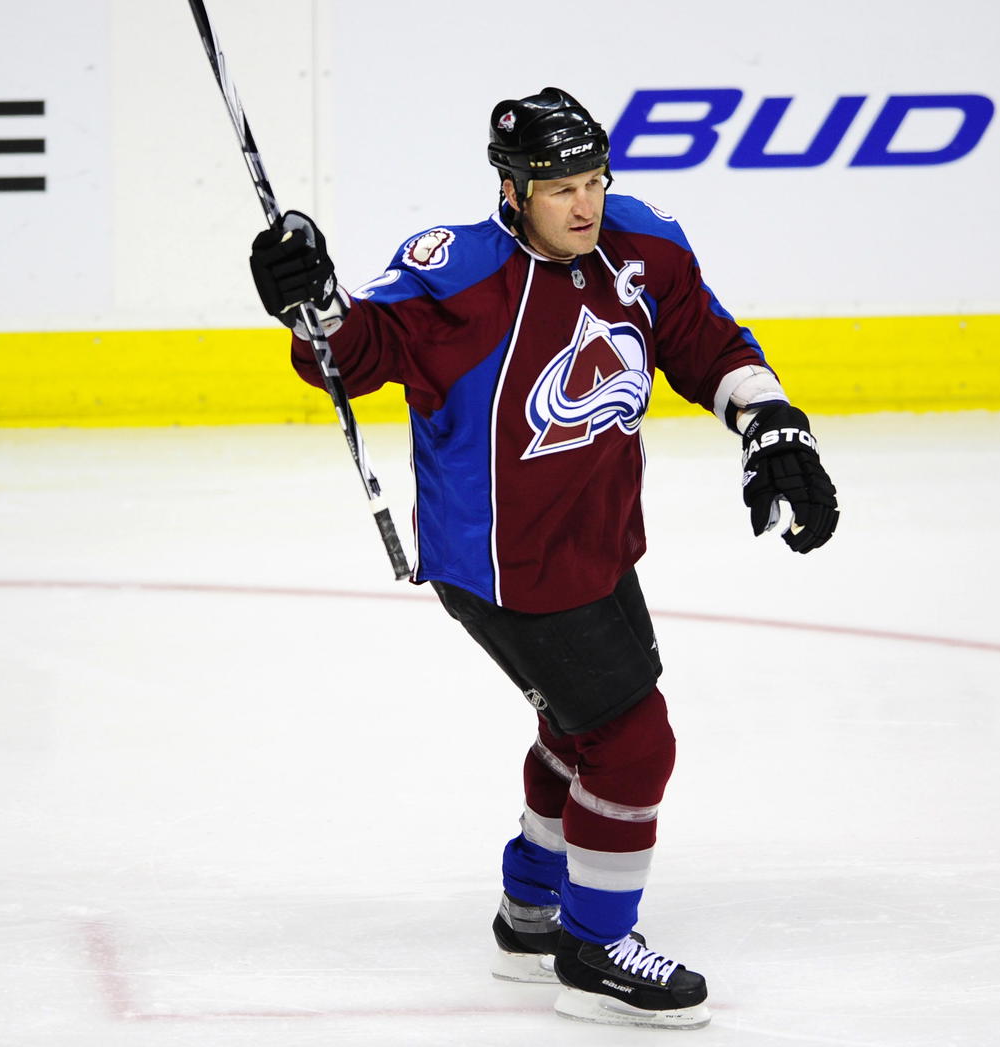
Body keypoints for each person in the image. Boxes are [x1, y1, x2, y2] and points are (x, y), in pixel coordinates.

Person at [247, 87, 838, 1030]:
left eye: (594, 178)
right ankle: (595, 946)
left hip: (598, 540)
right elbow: (355, 353)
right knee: (634, 741)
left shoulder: (641, 246)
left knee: (581, 730)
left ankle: (530, 914)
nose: (585, 203)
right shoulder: (460, 277)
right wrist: (311, 304)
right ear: (513, 190)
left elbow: (702, 338)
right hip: (501, 564)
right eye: (560, 185)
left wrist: (771, 421)